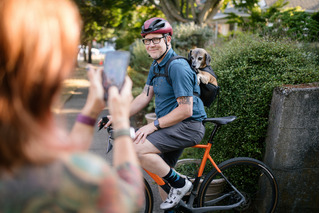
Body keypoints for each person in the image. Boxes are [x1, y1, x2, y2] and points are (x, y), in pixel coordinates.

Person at [0, 0, 143, 212]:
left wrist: (92, 110)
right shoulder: (79, 181)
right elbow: (129, 197)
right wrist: (121, 122)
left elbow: (67, 157)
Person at [106, 17, 207, 210]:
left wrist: (152, 125)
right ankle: (176, 194)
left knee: (135, 148)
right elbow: (145, 96)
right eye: (147, 40)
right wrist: (118, 115)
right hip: (172, 126)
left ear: (168, 39)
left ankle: (181, 184)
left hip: (188, 126)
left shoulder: (177, 67)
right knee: (163, 177)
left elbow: (186, 109)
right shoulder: (156, 64)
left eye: (156, 39)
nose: (151, 44)